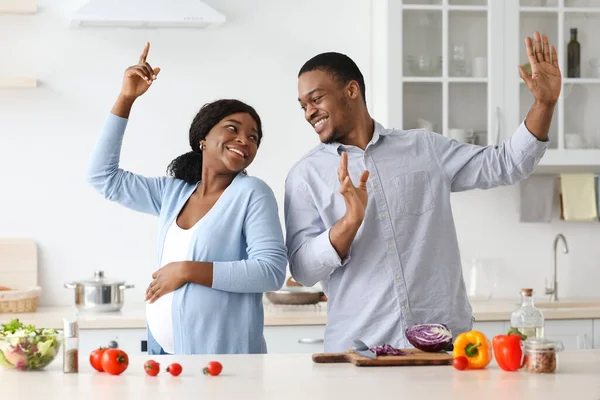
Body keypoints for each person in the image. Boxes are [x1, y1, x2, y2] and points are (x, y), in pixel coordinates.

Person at [285, 32, 560, 352]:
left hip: (443, 348)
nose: (309, 112)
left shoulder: (424, 148)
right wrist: (349, 222)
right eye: (304, 105)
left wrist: (545, 103)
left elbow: (506, 164)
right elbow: (303, 271)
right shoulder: (304, 176)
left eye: (316, 99)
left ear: (351, 90)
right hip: (359, 351)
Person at [87, 42, 287, 355]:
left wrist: (186, 270)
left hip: (225, 363)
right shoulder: (172, 193)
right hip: (163, 356)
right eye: (232, 129)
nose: (244, 140)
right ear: (203, 139)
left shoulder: (252, 194)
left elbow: (271, 271)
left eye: (253, 137)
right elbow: (102, 177)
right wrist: (126, 98)